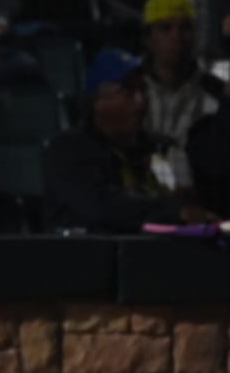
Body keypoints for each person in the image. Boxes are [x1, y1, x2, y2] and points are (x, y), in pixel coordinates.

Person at [43, 49, 215, 234]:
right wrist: (171, 211)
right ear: (98, 101)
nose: (141, 101)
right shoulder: (69, 149)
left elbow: (182, 199)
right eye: (129, 91)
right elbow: (102, 206)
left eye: (143, 89)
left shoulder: (159, 148)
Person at [138, 0, 223, 191]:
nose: (177, 37)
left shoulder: (216, 92)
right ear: (149, 38)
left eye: (185, 28)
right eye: (165, 28)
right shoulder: (129, 91)